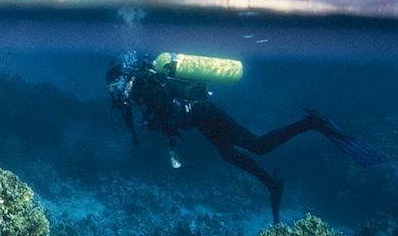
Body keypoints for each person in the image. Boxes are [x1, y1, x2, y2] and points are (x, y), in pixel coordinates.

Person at [106, 53, 380, 224]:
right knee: (229, 155)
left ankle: (311, 123)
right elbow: (150, 115)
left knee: (259, 146)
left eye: (116, 86)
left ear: (126, 78)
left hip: (208, 114)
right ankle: (271, 184)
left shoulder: (149, 86)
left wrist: (155, 125)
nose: (116, 93)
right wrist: (136, 129)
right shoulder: (140, 90)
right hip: (202, 121)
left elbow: (170, 114)